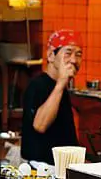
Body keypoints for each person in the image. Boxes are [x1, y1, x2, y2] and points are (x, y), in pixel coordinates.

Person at [22, 29, 82, 164]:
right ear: (50, 55)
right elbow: (40, 125)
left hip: (63, 166)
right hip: (42, 168)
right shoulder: (37, 85)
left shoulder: (61, 87)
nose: (73, 60)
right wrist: (61, 83)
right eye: (68, 53)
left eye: (78, 54)